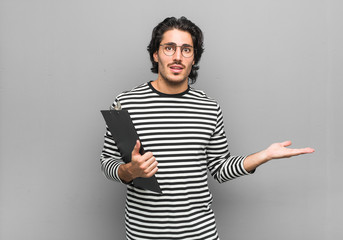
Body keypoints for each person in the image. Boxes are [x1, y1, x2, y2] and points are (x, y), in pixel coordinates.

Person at [100, 16, 314, 240]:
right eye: (169, 48)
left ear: (194, 58)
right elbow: (107, 161)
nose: (177, 57)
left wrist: (263, 156)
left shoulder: (209, 108)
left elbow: (220, 168)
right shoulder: (126, 102)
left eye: (186, 50)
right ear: (155, 54)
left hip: (199, 234)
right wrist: (128, 171)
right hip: (143, 235)